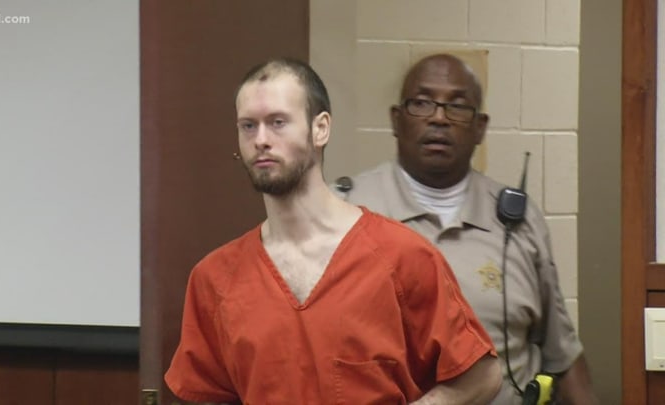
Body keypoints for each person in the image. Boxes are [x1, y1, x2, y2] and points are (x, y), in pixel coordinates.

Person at [165, 57, 502, 404]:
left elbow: (482, 377)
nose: (261, 139)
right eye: (248, 126)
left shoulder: (403, 257)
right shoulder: (215, 279)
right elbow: (203, 394)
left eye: (278, 122)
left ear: (320, 129)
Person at [335, 53, 599, 404]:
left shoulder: (518, 221)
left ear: (480, 128)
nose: (439, 118)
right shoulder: (343, 213)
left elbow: (562, 356)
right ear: (396, 120)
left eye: (457, 107)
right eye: (421, 103)